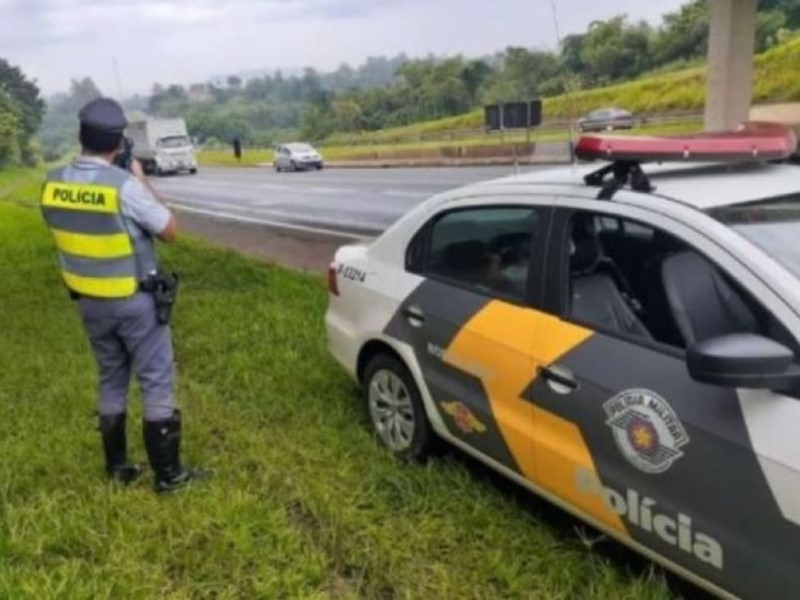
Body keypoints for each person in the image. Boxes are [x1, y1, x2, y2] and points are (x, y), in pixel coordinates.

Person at [40, 97, 204, 493]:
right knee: (155, 380)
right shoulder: (123, 186)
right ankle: (169, 475)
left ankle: (117, 467)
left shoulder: (53, 183)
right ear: (118, 142)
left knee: (111, 378)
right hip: (135, 300)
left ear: (80, 136)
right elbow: (170, 230)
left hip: (89, 302)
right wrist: (139, 177)